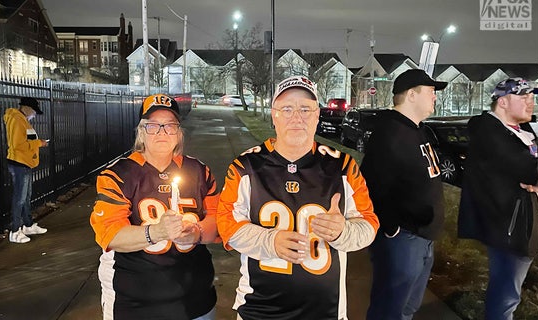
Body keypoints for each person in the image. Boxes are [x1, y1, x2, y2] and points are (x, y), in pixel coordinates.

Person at [217, 76, 379, 320]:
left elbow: (369, 225)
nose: (297, 117)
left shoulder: (343, 166)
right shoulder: (246, 166)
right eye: (287, 108)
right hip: (259, 311)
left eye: (305, 109)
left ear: (317, 116)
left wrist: (342, 232)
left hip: (326, 311)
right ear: (274, 115)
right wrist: (271, 241)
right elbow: (227, 227)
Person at [90, 94, 219, 320]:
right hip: (137, 302)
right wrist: (157, 232)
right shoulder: (118, 174)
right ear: (141, 131)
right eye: (153, 126)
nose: (162, 132)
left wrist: (196, 233)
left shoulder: (199, 171)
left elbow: (220, 221)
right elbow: (109, 235)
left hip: (195, 298)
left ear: (178, 132)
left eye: (169, 126)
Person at [360, 69, 448, 320]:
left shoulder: (417, 129)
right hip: (402, 240)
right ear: (411, 95)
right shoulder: (390, 132)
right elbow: (371, 184)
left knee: (406, 308)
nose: (434, 97)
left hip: (423, 238)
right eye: (430, 92)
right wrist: (391, 229)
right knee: (389, 310)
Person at [458, 77, 538, 320]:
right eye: (524, 96)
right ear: (503, 102)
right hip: (510, 226)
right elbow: (529, 170)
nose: (531, 102)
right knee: (506, 295)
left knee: (508, 292)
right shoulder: (489, 132)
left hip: (522, 221)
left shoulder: (521, 131)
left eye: (532, 96)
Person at [4, 97, 49, 244]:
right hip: (19, 163)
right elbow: (19, 144)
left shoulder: (22, 120)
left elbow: (25, 141)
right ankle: (15, 231)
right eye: (34, 111)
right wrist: (39, 143)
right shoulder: (17, 120)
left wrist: (37, 143)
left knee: (25, 196)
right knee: (20, 198)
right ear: (27, 108)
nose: (34, 115)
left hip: (25, 162)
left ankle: (27, 225)